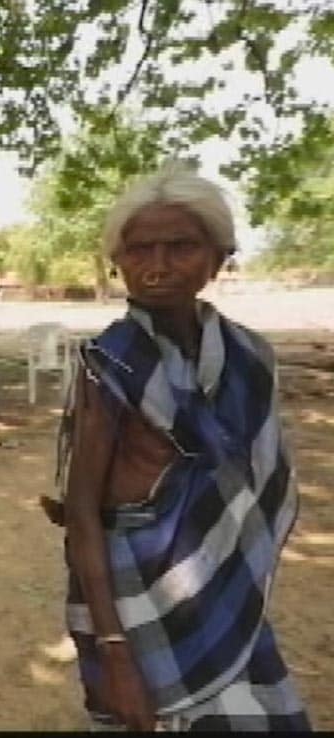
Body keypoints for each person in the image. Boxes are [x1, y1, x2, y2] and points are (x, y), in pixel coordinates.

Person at [43, 163, 311, 731]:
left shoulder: (249, 357)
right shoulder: (108, 366)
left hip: (222, 590)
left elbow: (260, 477)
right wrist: (114, 650)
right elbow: (83, 514)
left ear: (218, 258)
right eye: (139, 250)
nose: (158, 266)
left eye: (180, 246)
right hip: (136, 598)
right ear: (118, 262)